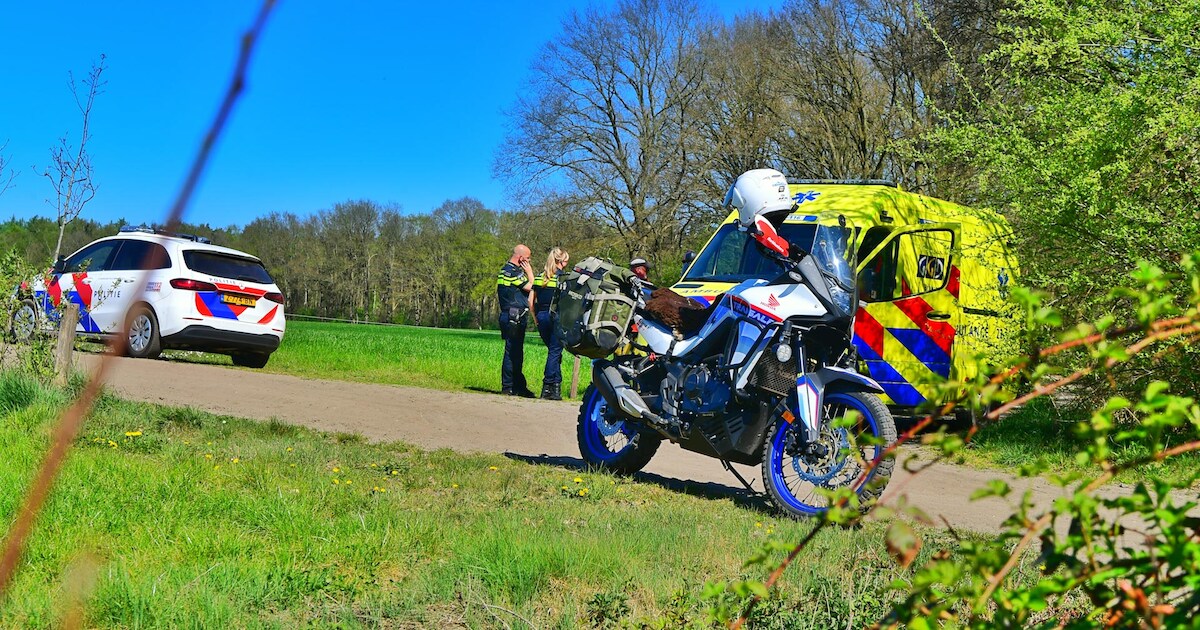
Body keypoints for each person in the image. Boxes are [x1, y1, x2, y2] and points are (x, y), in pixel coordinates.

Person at [497, 244, 536, 397]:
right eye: (528, 258)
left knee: (514, 352)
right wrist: (530, 272)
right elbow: (534, 287)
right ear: (520, 258)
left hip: (509, 315)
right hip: (515, 316)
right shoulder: (513, 272)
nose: (529, 260)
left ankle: (517, 386)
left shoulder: (504, 270)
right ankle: (510, 387)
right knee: (512, 353)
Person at [532, 247, 570, 400]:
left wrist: (535, 319)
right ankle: (547, 387)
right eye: (566, 260)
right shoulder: (565, 279)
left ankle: (556, 388)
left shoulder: (539, 278)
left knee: (554, 354)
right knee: (554, 353)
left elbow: (531, 302)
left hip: (541, 317)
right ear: (561, 261)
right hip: (557, 318)